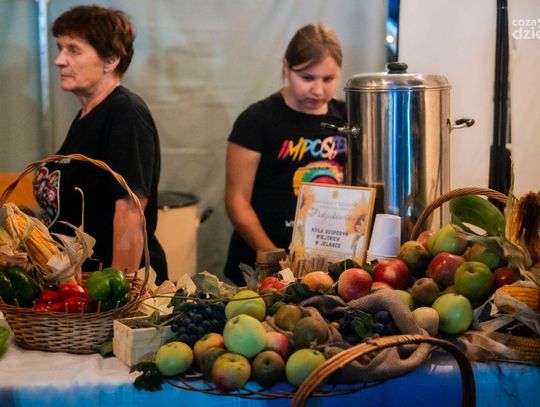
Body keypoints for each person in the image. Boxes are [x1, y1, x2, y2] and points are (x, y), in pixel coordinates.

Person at [32, 5, 168, 283]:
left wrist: (116, 291)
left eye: (74, 50)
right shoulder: (88, 114)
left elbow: (130, 211)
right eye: (60, 48)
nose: (59, 60)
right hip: (79, 283)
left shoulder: (124, 112)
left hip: (106, 283)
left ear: (111, 59)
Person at [224, 23, 347, 286]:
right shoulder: (256, 120)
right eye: (307, 78)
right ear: (286, 67)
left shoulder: (349, 118)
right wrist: (274, 258)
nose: (318, 90)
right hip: (262, 265)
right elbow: (237, 201)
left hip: (329, 267)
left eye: (328, 79)